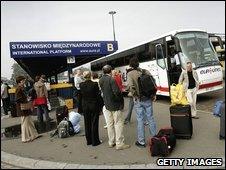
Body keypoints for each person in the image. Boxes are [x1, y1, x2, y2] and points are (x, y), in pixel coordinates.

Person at [127, 57, 157, 148]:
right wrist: (153, 95)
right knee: (151, 118)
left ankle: (141, 142)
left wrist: (135, 96)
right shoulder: (145, 71)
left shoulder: (130, 74)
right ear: (138, 64)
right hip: (148, 98)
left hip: (138, 100)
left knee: (140, 120)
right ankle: (155, 139)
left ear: (131, 65)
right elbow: (153, 82)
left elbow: (131, 86)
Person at [99, 65, 130, 150]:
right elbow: (117, 92)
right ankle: (119, 143)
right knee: (118, 124)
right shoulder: (111, 79)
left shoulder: (101, 80)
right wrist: (120, 101)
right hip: (115, 105)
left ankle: (111, 142)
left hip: (106, 105)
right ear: (110, 71)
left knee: (110, 124)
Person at [79, 71, 103, 146]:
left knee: (87, 123)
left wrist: (80, 109)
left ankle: (88, 141)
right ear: (90, 76)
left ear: (84, 77)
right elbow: (98, 96)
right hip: (94, 105)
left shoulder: (81, 85)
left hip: (85, 106)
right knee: (94, 123)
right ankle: (95, 141)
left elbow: (80, 97)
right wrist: (101, 106)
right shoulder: (94, 84)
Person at [15, 76, 41, 143]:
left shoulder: (20, 88)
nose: (24, 82)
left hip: (24, 108)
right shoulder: (18, 89)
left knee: (29, 122)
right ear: (20, 81)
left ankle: (34, 135)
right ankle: (25, 138)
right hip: (23, 108)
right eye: (23, 81)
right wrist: (26, 99)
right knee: (25, 123)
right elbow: (18, 99)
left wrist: (26, 98)